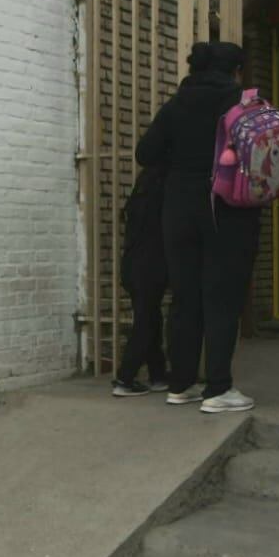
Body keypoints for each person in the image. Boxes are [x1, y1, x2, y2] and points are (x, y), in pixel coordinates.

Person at [136, 41, 261, 414]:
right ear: (237, 70)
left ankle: (182, 383)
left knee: (185, 296)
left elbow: (146, 153)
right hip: (228, 209)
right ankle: (218, 388)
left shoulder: (177, 104)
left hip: (179, 210)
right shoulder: (244, 104)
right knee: (222, 298)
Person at [111, 164, 170, 397]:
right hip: (151, 266)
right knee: (146, 323)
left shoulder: (139, 198)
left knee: (150, 318)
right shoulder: (162, 196)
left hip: (132, 265)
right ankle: (125, 378)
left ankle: (157, 374)